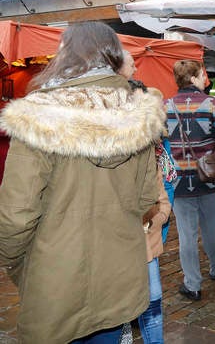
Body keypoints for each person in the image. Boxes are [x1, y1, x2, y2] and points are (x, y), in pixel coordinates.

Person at [0, 21, 164, 344]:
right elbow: (147, 199)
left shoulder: (39, 115)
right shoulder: (139, 114)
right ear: (112, 56)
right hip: (117, 276)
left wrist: (14, 263)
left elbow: (16, 213)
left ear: (65, 55)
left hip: (55, 278)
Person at [165, 59, 215, 302]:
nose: (205, 78)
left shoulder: (164, 107)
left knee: (186, 235)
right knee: (213, 226)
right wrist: (214, 154)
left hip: (179, 182)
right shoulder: (211, 104)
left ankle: (193, 284)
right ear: (194, 78)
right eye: (202, 74)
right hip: (209, 178)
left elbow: (159, 144)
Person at [120, 52, 175, 344]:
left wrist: (161, 215)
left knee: (153, 301)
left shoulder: (147, 145)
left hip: (147, 237)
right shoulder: (108, 150)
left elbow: (160, 190)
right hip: (118, 242)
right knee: (121, 309)